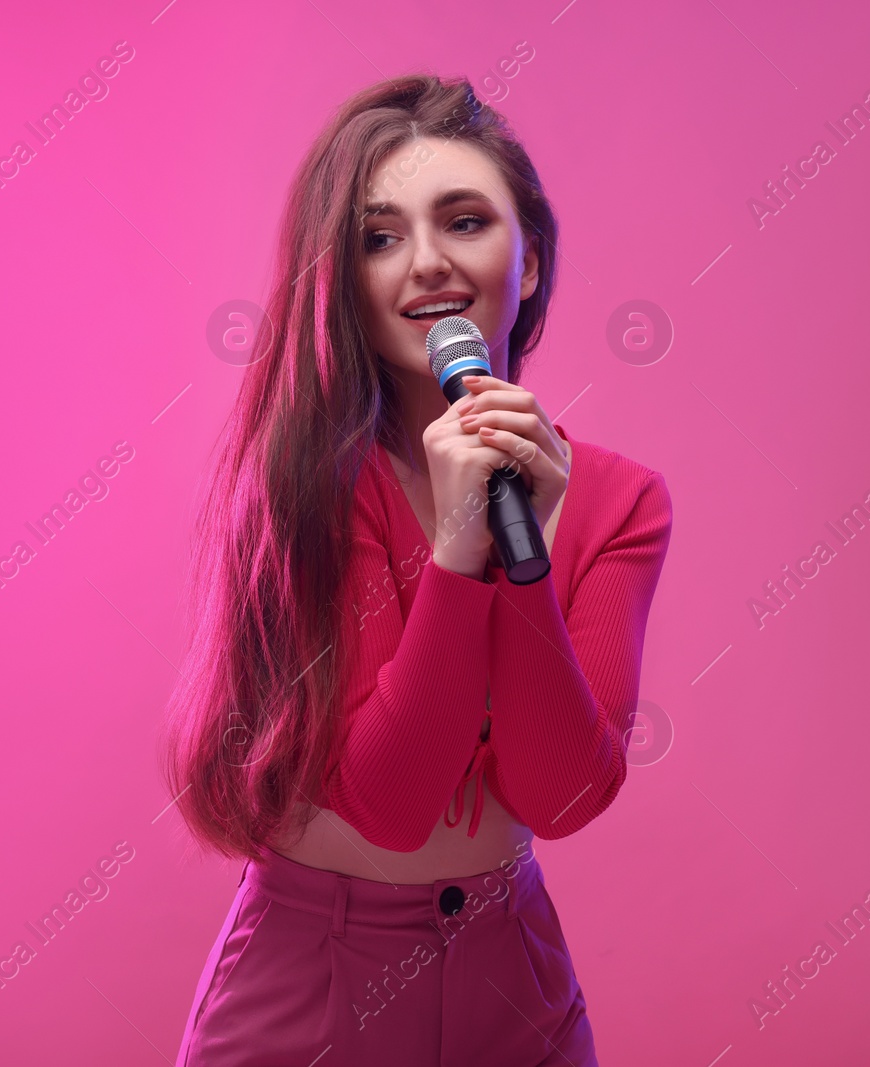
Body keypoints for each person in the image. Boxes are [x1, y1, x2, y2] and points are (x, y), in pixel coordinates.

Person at [161, 73, 672, 1067]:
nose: (428, 263)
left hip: (510, 979)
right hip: (311, 983)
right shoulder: (305, 487)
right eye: (380, 236)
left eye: (466, 220)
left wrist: (527, 567)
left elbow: (560, 796)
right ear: (342, 281)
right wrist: (458, 549)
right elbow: (392, 801)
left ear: (527, 262)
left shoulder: (618, 503)